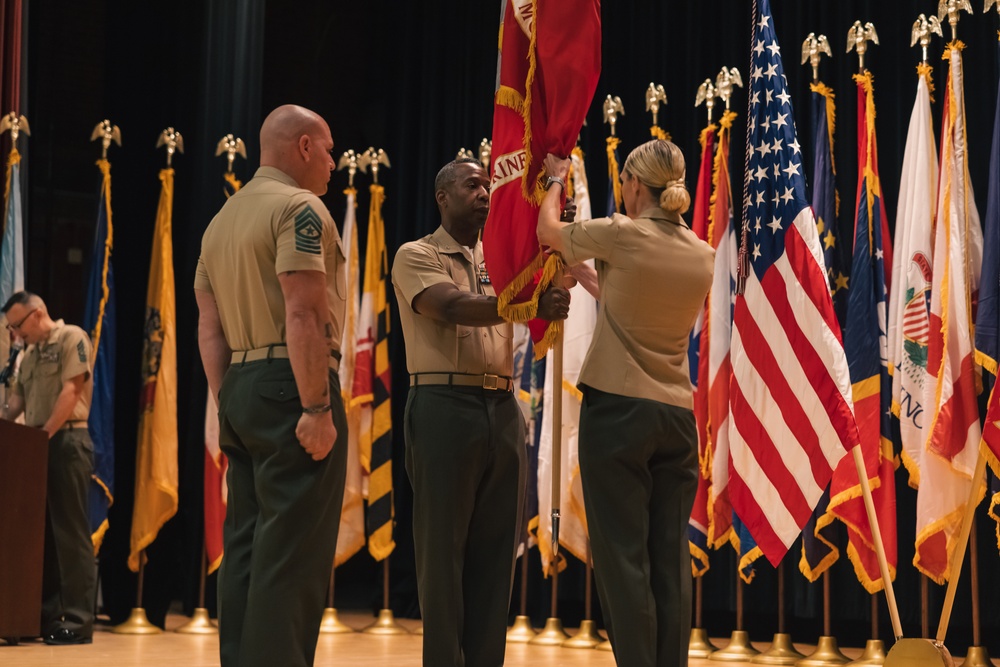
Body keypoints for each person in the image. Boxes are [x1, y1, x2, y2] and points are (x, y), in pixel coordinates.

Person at [537, 140, 714, 667]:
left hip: (618, 415)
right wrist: (592, 276)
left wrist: (554, 180)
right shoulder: (701, 252)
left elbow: (550, 231)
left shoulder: (621, 232)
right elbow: (628, 296)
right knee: (668, 557)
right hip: (678, 420)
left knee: (622, 558)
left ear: (635, 185)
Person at [393, 157, 569, 667]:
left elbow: (552, 264)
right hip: (443, 408)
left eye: (488, 185)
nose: (485, 193)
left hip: (502, 405)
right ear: (442, 196)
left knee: (497, 558)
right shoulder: (416, 254)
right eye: (472, 185)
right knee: (443, 557)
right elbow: (449, 308)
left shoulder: (504, 259)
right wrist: (526, 304)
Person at [194, 104, 347, 667]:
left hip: (240, 386)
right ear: (303, 146)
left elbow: (209, 329)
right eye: (328, 148)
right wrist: (316, 406)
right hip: (293, 383)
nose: (333, 161)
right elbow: (303, 312)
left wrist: (227, 400)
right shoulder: (299, 207)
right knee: (293, 554)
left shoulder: (220, 222)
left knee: (247, 549)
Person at [1, 291, 96, 645]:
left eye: (18, 325)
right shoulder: (28, 356)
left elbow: (71, 390)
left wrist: (42, 438)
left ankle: (78, 619)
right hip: (34, 448)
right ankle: (40, 614)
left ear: (37, 313)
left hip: (66, 441)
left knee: (70, 534)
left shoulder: (72, 338)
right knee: (37, 536)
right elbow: (17, 403)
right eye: (11, 328)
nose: (16, 334)